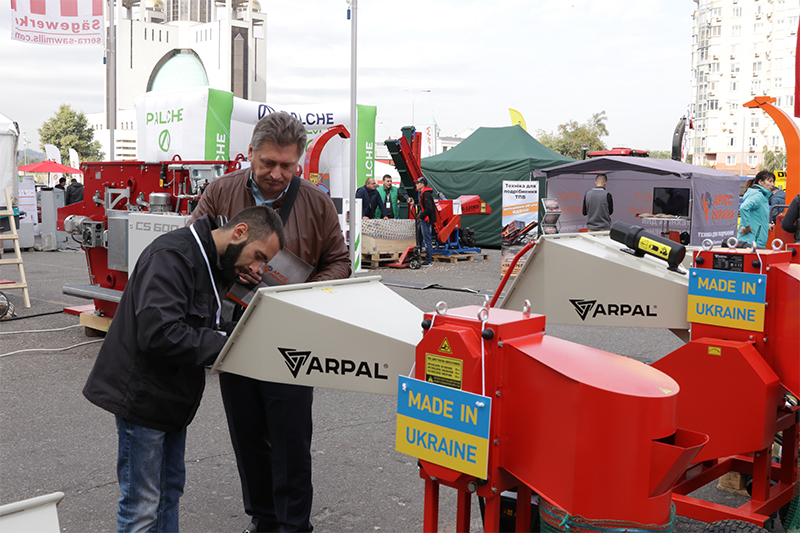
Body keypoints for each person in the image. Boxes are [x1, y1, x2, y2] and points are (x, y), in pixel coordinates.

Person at [186, 111, 351, 533]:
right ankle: (262, 518)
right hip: (234, 335)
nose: (277, 174)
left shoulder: (315, 201)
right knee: (247, 436)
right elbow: (193, 251)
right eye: (268, 164)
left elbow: (339, 261)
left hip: (291, 335)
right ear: (251, 155)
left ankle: (294, 525)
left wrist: (302, 291)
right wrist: (229, 270)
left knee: (291, 439)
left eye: (287, 166)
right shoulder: (220, 193)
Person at [83, 205, 285, 533]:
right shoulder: (173, 256)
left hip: (171, 400)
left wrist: (236, 282)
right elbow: (159, 333)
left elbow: (208, 320)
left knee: (167, 493)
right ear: (239, 232)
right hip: (144, 399)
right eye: (258, 255)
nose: (258, 267)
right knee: (143, 505)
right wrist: (233, 344)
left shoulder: (214, 265)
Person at [738, 170, 775, 248]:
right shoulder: (758, 195)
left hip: (754, 241)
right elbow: (744, 207)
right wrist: (747, 226)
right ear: (761, 182)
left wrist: (766, 225)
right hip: (752, 242)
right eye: (770, 181)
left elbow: (756, 216)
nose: (773, 184)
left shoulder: (762, 195)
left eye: (773, 182)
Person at [411, 177, 437, 266]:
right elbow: (423, 205)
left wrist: (421, 217)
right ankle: (418, 257)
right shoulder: (424, 193)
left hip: (425, 220)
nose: (416, 184)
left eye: (417, 183)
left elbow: (428, 208)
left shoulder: (425, 194)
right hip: (424, 220)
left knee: (427, 240)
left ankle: (429, 260)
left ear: (422, 184)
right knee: (420, 239)